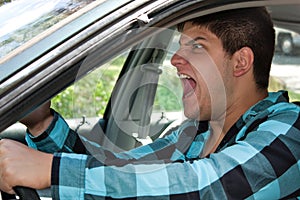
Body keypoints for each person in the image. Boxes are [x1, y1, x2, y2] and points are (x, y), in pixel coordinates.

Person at [0, 6, 300, 199]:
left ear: (240, 62)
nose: (175, 60)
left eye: (196, 46)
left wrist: (51, 171)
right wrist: (42, 124)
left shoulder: (290, 130)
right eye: (180, 46)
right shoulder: (194, 134)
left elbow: (207, 187)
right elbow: (118, 169)